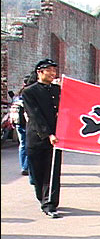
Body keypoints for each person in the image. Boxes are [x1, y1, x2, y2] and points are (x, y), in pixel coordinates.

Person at [22, 58, 63, 218]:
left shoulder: (57, 90)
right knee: (38, 173)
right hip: (38, 137)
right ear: (40, 72)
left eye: (54, 71)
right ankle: (43, 198)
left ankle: (50, 204)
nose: (53, 74)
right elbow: (35, 115)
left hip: (57, 138)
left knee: (53, 172)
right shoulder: (29, 92)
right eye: (50, 70)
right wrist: (48, 134)